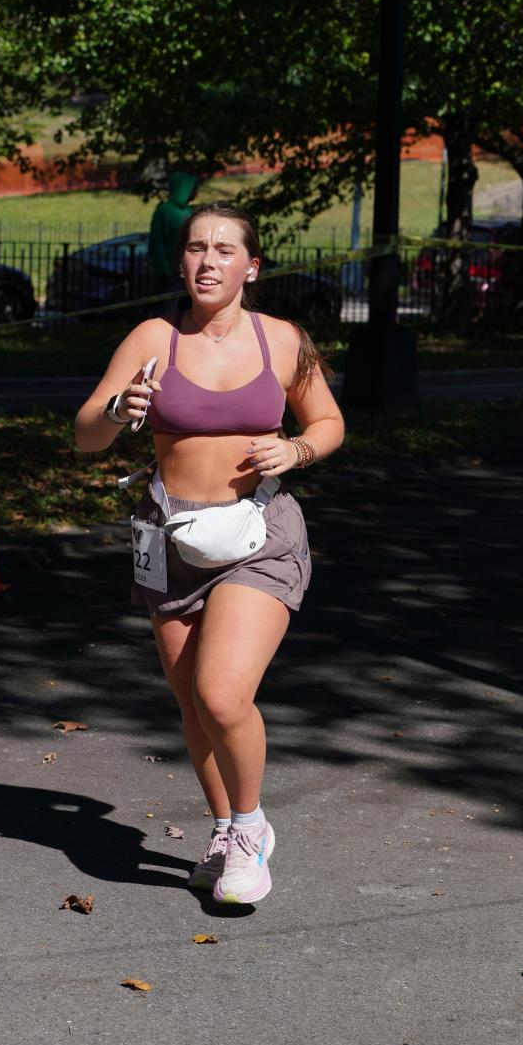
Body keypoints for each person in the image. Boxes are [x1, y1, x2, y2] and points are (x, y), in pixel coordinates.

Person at [74, 202, 344, 904]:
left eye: (225, 249)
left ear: (251, 266)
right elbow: (85, 433)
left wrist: (297, 449)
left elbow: (329, 420)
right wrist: (117, 410)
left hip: (258, 536)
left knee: (223, 693)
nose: (208, 260)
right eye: (196, 247)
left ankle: (252, 830)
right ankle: (224, 829)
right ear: (181, 262)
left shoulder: (282, 340)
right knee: (193, 702)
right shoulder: (153, 338)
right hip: (169, 538)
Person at [148, 169, 200, 297]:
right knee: (168, 305)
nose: (196, 192)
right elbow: (157, 243)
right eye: (192, 188)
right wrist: (163, 269)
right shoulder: (164, 211)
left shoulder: (190, 212)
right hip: (171, 273)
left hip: (190, 270)